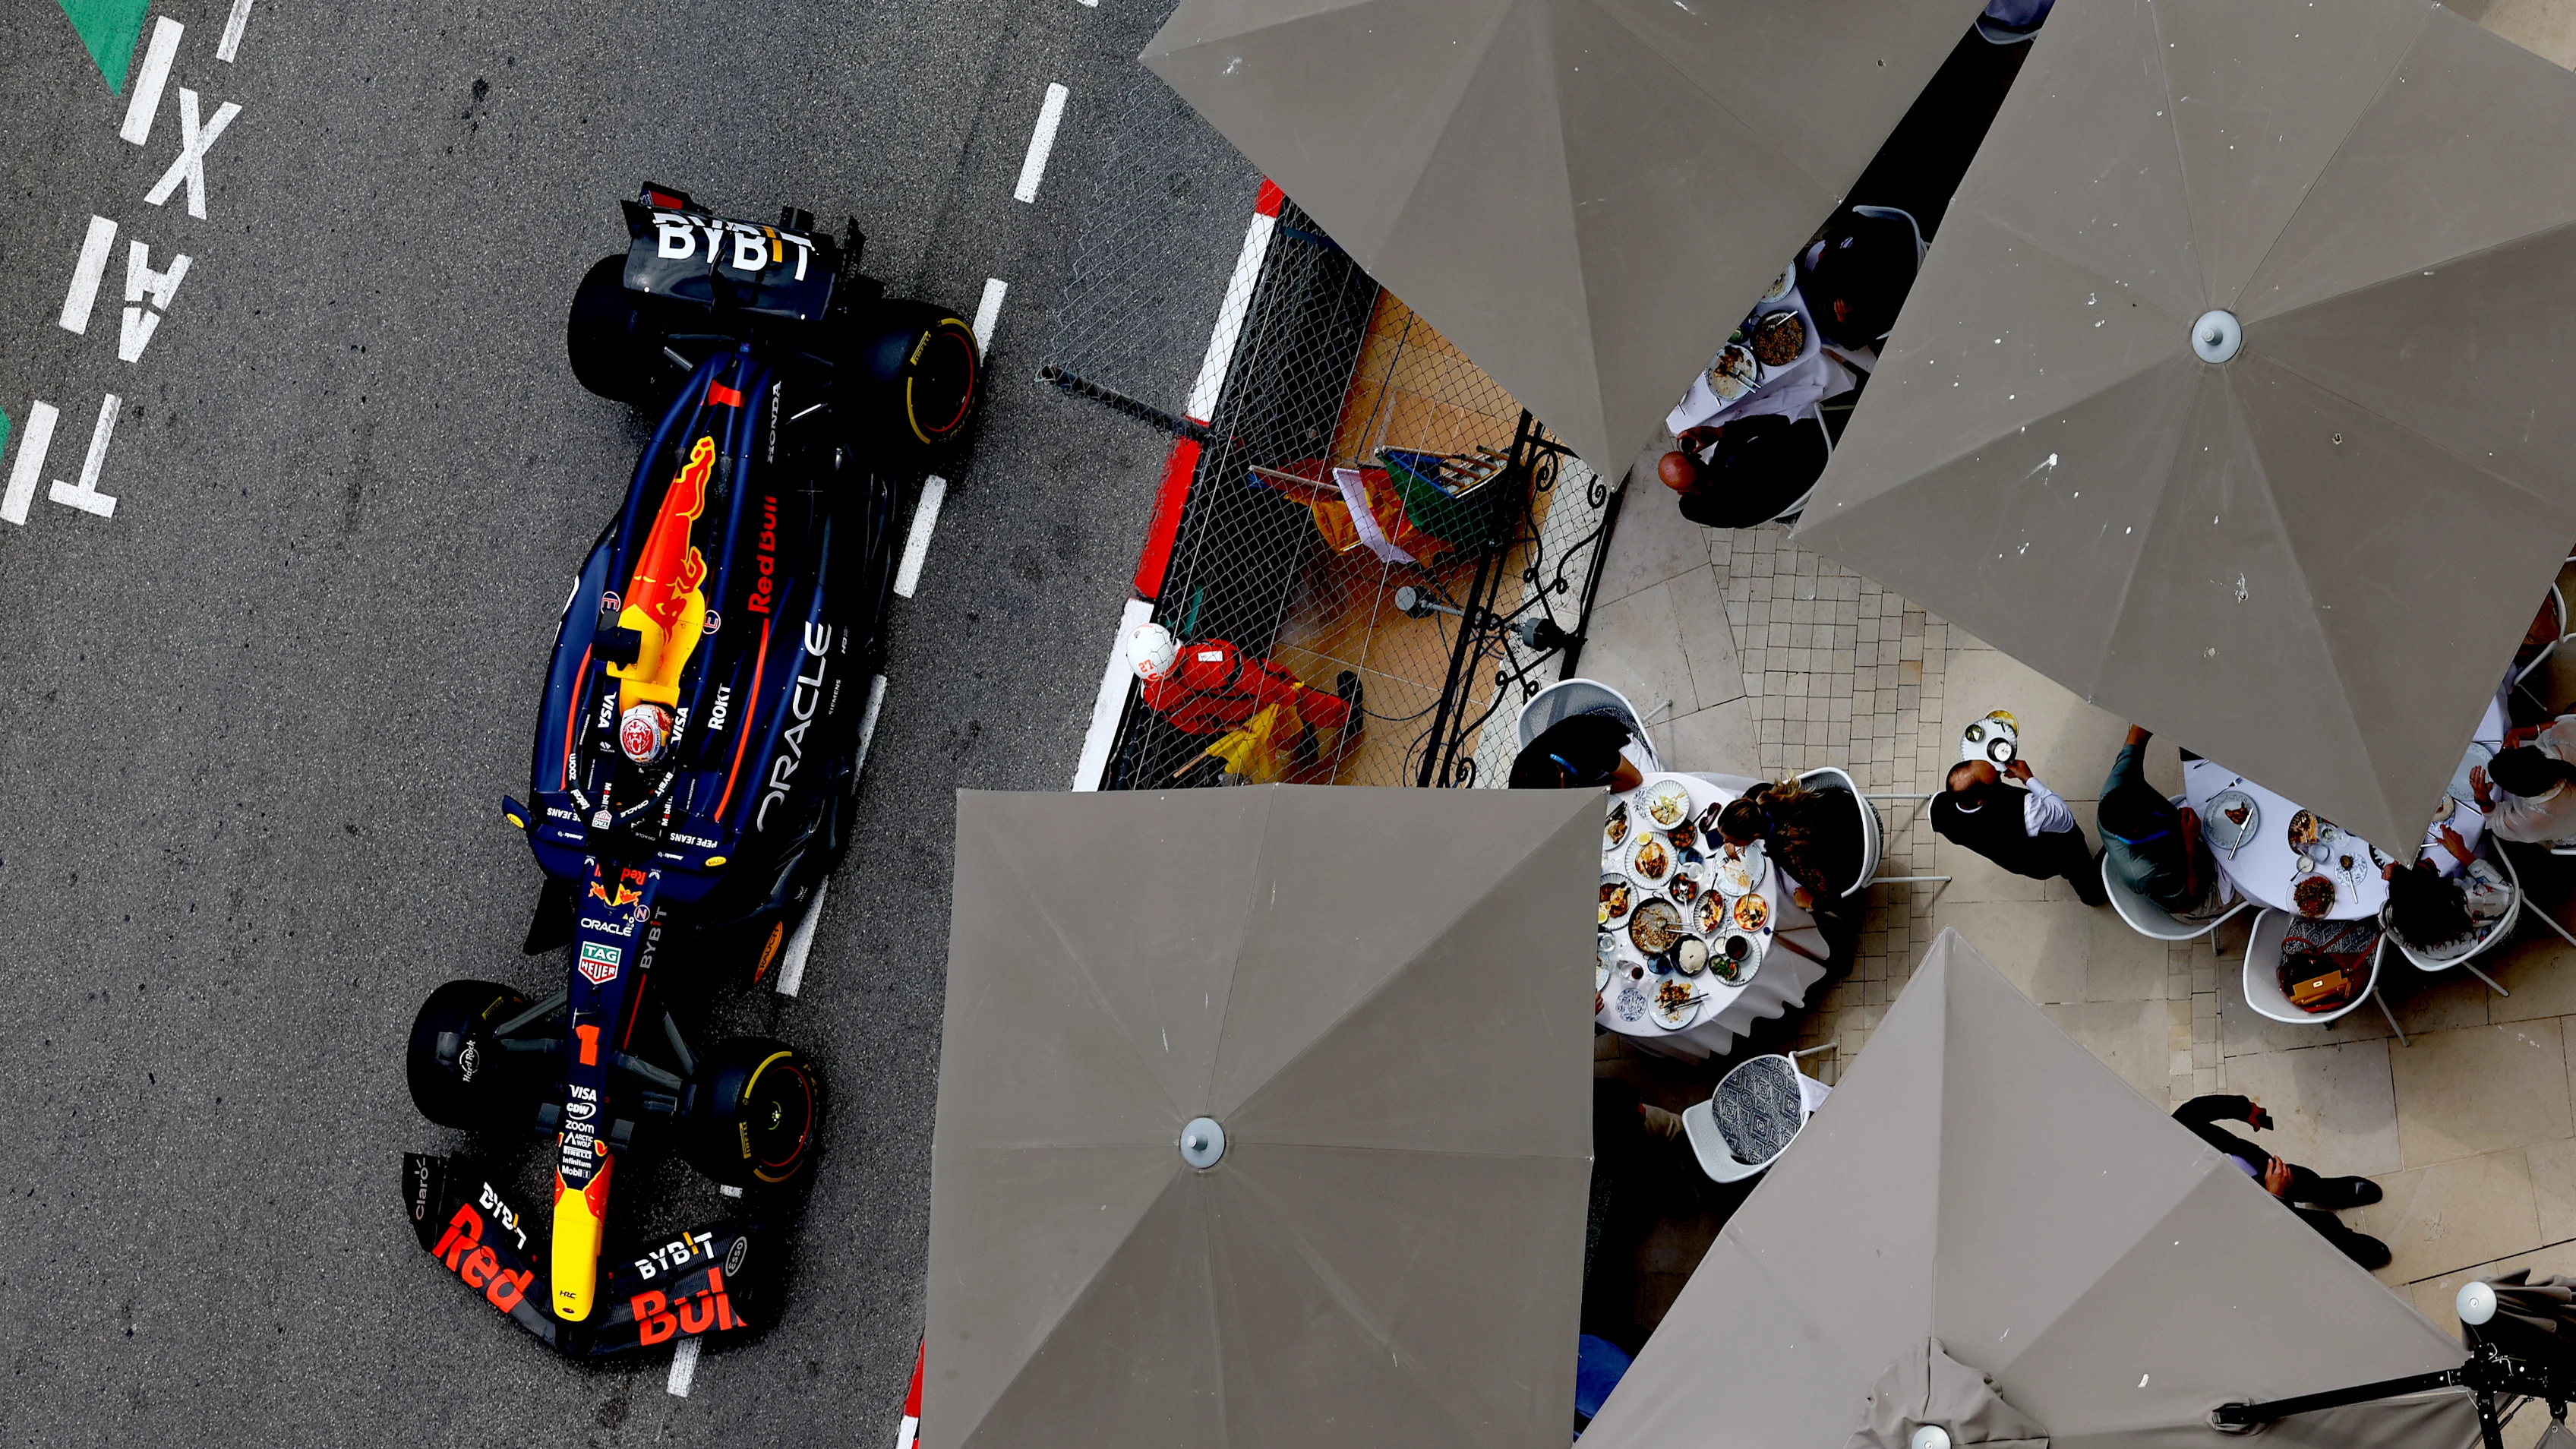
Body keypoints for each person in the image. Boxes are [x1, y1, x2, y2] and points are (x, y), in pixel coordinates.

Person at [2170, 1094, 2388, 1270]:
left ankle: (2329, 1193)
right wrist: (2274, 1197)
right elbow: (2231, 1230)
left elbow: (2196, 1110)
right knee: (2317, 1227)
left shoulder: (2169, 1134)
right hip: (2253, 1209)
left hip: (2257, 1164)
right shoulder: (2179, 1205)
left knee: (2304, 1180)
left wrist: (2243, 1108)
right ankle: (2346, 1245)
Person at [1128, 623, 1359, 761]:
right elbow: (1254, 680)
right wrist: (1287, 694)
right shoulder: (1208, 661)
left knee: (1275, 733)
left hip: (1242, 721)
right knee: (1308, 703)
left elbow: (1194, 726)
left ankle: (1304, 744)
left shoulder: (1155, 697)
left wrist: (1227, 726)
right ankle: (1347, 715)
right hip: (1260, 696)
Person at [1932, 755, 2108, 905]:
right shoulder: (2027, 811)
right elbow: (2064, 818)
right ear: (1981, 800)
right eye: (1996, 780)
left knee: (2069, 871)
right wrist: (2028, 778)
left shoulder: (1940, 809)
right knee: (2081, 872)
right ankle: (2094, 894)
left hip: (2022, 863)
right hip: (2051, 855)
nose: (2000, 772)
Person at [2097, 726, 2224, 917]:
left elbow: (2137, 736)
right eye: (2148, 810)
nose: (2152, 805)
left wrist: (2161, 716)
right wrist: (2190, 842)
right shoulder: (2145, 869)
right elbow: (2189, 902)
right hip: (2198, 888)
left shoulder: (2119, 785)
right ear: (2137, 829)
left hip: (2185, 829)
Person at [1658, 413, 1834, 529]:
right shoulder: (1750, 460)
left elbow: (1691, 503)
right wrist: (1718, 432)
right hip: (1823, 452)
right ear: (1697, 456)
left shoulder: (1698, 509)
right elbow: (1780, 422)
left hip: (1789, 506)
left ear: (1682, 493)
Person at [1715, 777, 1864, 911]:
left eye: (1731, 841)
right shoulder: (1760, 795)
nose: (1725, 843)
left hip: (1857, 847)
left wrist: (1809, 901)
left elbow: (1831, 898)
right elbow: (1747, 801)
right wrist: (1736, 837)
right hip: (1851, 806)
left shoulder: (1785, 849)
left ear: (1755, 836)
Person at [1795, 207, 1921, 353]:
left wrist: (1842, 319)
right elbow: (1851, 219)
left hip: (1910, 275)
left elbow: (1851, 343)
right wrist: (1830, 245)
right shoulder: (1873, 243)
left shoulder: (1877, 309)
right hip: (1901, 243)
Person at [2382, 829, 2510, 960]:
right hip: (2496, 927)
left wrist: (2398, 878)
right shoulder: (2469, 902)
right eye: (2425, 865)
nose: (2427, 859)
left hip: (2451, 947)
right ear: (2437, 889)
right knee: (2482, 845)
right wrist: (2464, 854)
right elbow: (2508, 895)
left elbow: (2399, 900)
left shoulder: (2400, 915)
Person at [1511, 712, 1644, 792]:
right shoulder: (1521, 775)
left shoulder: (1587, 741)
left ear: (1561, 776)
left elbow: (1634, 779)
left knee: (1645, 794)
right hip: (1583, 776)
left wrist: (1590, 791)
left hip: (1617, 747)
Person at [2472, 744, 2576, 844]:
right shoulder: (2562, 743)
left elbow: (2495, 822)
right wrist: (2516, 734)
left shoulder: (2534, 818)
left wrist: (2483, 800)